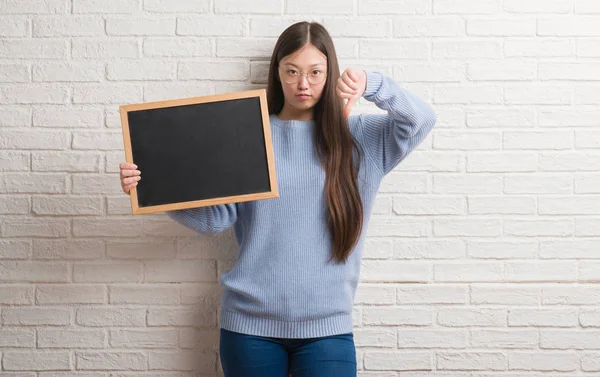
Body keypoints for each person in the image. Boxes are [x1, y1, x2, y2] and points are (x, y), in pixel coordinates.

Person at [119, 21, 436, 377]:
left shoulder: (360, 138)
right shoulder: (250, 134)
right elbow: (216, 219)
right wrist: (151, 189)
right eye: (292, 72)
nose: (303, 84)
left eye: (316, 72)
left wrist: (372, 83)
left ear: (331, 74)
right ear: (278, 73)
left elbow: (421, 119)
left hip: (329, 328)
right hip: (249, 327)